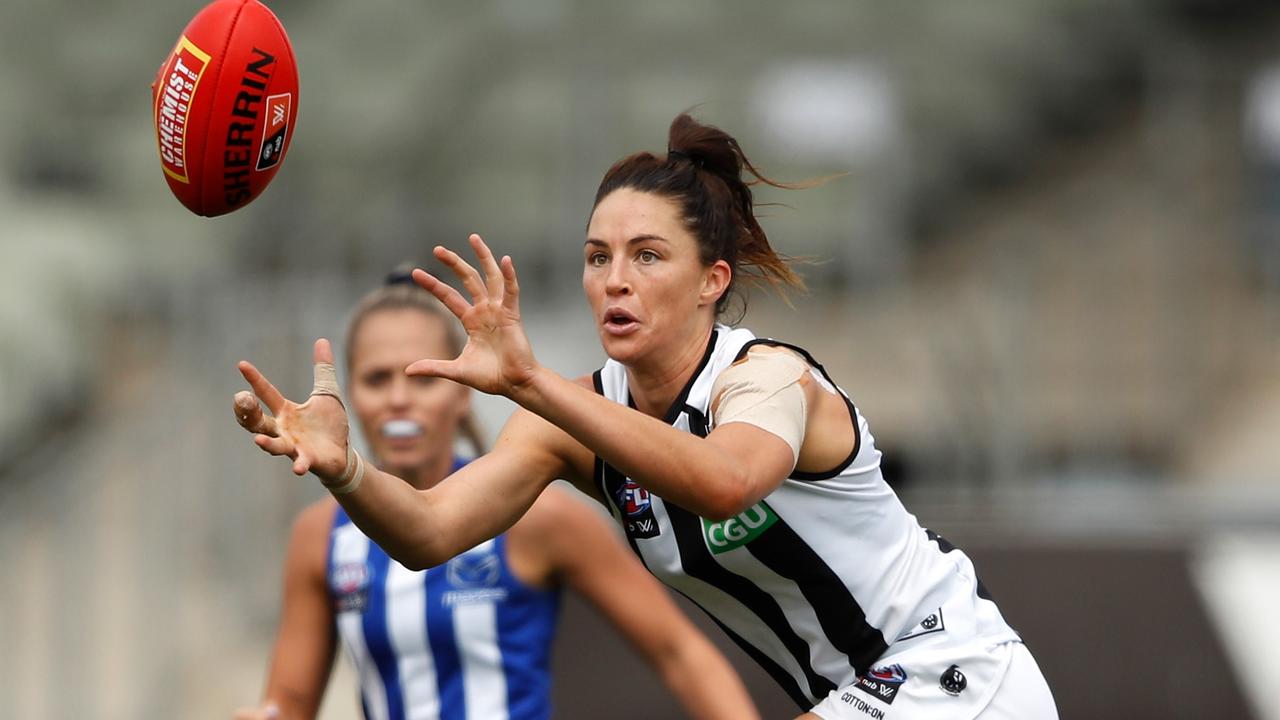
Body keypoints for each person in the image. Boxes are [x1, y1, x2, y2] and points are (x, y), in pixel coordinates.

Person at [234, 113, 1059, 719]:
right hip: (856, 696)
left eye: (647, 255)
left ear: (712, 280)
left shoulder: (770, 379)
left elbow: (725, 482)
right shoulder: (576, 419)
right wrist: (346, 469)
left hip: (953, 670)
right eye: (598, 258)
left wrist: (530, 382)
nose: (614, 280)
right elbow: (425, 532)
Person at [232, 272, 760, 720]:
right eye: (376, 379)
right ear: (348, 396)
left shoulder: (537, 517)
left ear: (462, 389)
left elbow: (680, 652)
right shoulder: (319, 536)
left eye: (421, 379)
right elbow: (289, 703)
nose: (397, 400)